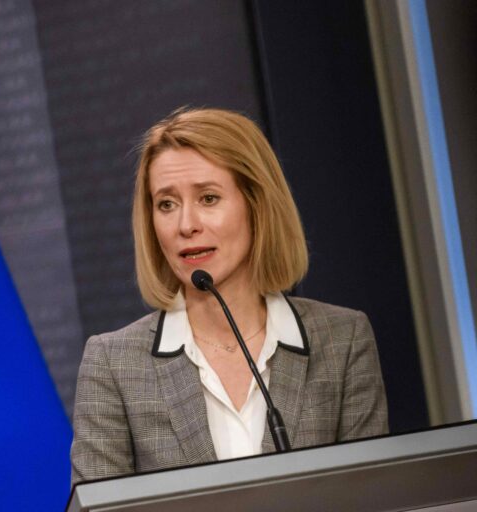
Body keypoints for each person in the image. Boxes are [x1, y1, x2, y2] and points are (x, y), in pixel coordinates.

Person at [70, 108, 388, 484]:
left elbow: (374, 496)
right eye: (167, 204)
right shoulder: (113, 364)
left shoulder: (342, 340)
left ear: (257, 205)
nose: (186, 225)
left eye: (208, 198)